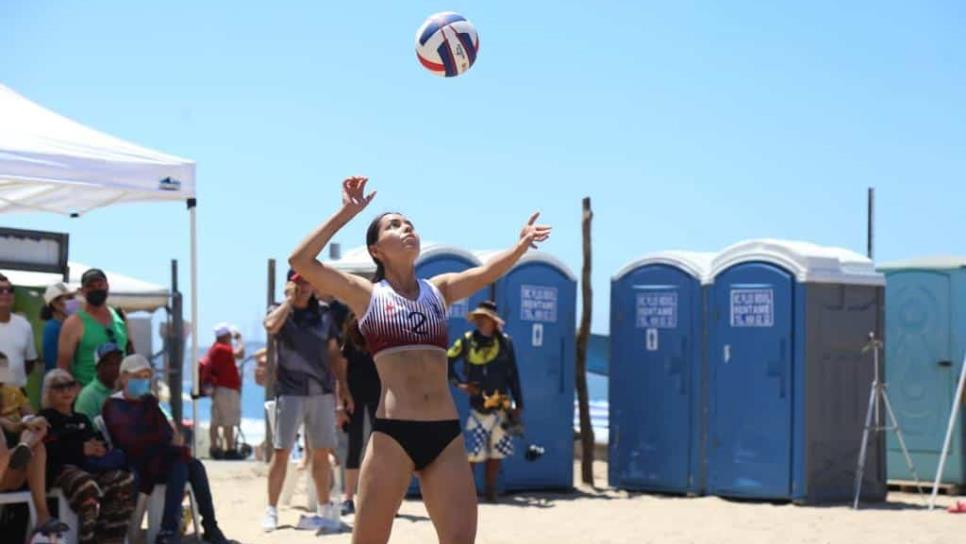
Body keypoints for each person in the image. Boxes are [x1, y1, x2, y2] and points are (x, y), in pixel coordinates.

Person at [287, 176, 550, 543]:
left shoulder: (438, 291)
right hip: (392, 436)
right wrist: (346, 212)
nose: (406, 227)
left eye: (408, 223)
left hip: (444, 435)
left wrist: (520, 246)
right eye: (393, 225)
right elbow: (300, 260)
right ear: (376, 250)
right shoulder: (366, 295)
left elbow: (486, 272)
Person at [102, 354, 234, 544]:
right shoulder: (113, 405)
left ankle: (208, 527)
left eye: (146, 377)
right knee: (180, 463)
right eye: (137, 376)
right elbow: (129, 440)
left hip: (159, 458)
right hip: (135, 463)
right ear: (124, 377)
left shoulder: (148, 402)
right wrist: (164, 442)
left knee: (194, 466)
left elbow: (165, 432)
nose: (142, 381)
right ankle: (168, 530)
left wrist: (165, 440)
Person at [262, 269, 345, 533]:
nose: (306, 286)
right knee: (281, 452)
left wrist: (343, 392)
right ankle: (272, 510)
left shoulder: (324, 313)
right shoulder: (280, 310)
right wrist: (288, 301)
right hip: (290, 390)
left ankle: (323, 510)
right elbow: (270, 326)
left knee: (321, 453)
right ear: (291, 283)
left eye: (309, 280)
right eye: (300, 281)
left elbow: (334, 355)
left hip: (321, 391)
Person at [39, 368, 136, 544]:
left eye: (70, 385)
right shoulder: (45, 418)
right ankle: (87, 539)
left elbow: (97, 441)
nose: (66, 391)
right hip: (61, 471)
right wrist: (80, 449)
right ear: (48, 392)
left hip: (90, 467)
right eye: (59, 387)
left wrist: (99, 448)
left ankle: (111, 538)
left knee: (124, 480)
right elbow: (48, 451)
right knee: (87, 486)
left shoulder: (82, 419)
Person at [448, 301, 524, 502]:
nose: (480, 322)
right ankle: (468, 493)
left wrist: (519, 403)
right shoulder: (466, 341)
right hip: (478, 406)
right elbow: (446, 360)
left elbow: (513, 375)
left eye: (484, 318)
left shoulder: (506, 343)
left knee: (497, 450)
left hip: (501, 405)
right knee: (473, 452)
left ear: (493, 321)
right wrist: (459, 384)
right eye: (478, 318)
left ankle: (491, 491)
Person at [0, 354, 69, 540]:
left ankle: (42, 517)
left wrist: (28, 422)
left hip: (8, 470)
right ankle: (24, 446)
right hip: (4, 461)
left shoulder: (11, 392)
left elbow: (17, 422)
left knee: (36, 440)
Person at [337, 313, 381, 516]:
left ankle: (380, 497)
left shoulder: (383, 334)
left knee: (381, 447)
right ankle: (348, 498)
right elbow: (341, 371)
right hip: (354, 397)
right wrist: (342, 398)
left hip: (378, 395)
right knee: (354, 446)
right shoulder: (350, 337)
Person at [58, 268, 132, 386]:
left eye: (100, 284)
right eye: (90, 286)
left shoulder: (120, 317)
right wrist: (77, 394)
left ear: (107, 286)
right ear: (82, 291)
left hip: (119, 395)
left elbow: (130, 354)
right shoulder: (73, 323)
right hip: (88, 395)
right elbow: (63, 367)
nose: (96, 289)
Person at [205, 323, 245, 459]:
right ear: (225, 336)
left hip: (219, 389)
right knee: (229, 420)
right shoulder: (223, 349)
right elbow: (240, 354)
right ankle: (230, 449)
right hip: (227, 389)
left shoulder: (214, 349)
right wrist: (239, 339)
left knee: (216, 420)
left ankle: (215, 448)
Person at [0, 273, 39, 389]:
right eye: (0, 290)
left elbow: (30, 362)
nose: (6, 293)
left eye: (10, 290)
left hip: (17, 394)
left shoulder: (24, 325)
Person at [74, 342, 123, 420]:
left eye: (118, 362)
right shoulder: (88, 396)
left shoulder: (126, 389)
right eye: (109, 364)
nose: (115, 367)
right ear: (98, 367)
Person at [40, 282, 76, 373]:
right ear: (55, 303)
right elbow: (52, 362)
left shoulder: (69, 325)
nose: (74, 301)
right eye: (69, 298)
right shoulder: (52, 328)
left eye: (72, 297)